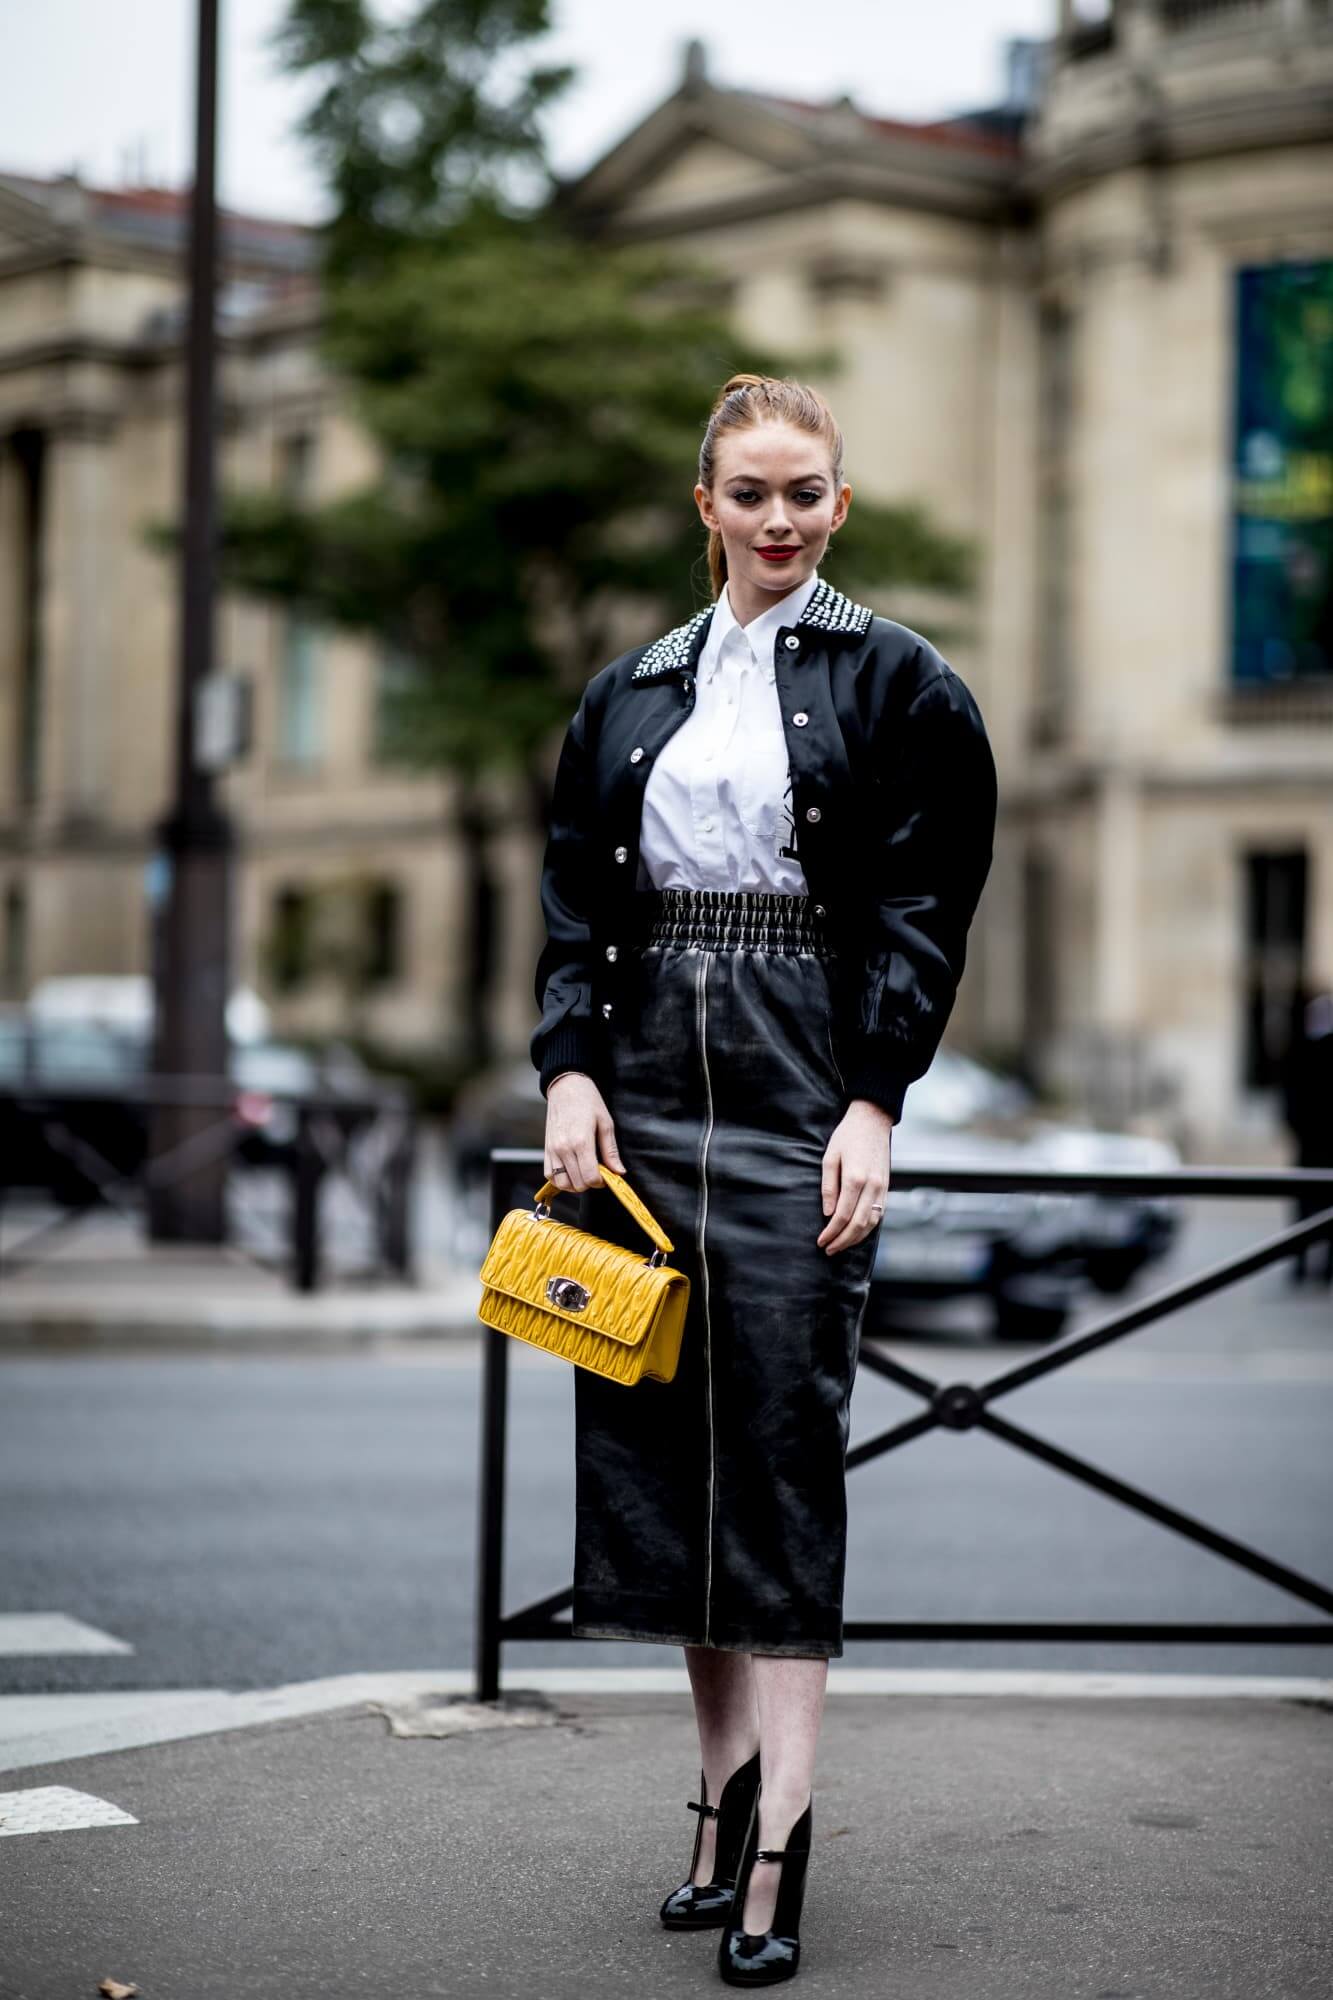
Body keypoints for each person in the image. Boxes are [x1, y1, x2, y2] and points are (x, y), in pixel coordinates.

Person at [529, 372, 998, 1986]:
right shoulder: (630, 690)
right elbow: (574, 910)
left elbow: (925, 913)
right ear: (705, 506)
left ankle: (784, 1826)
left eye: (807, 491)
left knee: (782, 1443)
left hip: (805, 1069)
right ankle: (715, 1797)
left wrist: (873, 1102)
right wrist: (570, 1068)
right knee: (659, 1442)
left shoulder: (901, 681)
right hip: (644, 1076)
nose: (780, 517)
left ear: (838, 504)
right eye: (751, 493)